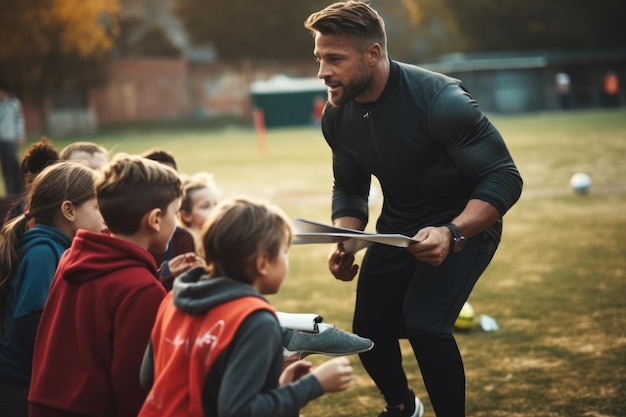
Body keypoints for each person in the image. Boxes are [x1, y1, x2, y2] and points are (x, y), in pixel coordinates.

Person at [304, 2, 523, 417]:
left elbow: (503, 177)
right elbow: (350, 188)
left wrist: (452, 232)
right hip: (398, 224)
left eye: (334, 59)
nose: (322, 72)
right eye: (319, 58)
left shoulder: (442, 101)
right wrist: (346, 237)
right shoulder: (337, 114)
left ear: (373, 54)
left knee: (425, 323)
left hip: (464, 225)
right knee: (368, 329)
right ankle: (403, 407)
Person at [138, 196, 354, 417]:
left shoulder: (173, 299)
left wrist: (280, 388)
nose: (286, 260)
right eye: (284, 253)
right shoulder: (254, 321)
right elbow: (238, 411)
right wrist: (312, 386)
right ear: (262, 263)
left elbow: (148, 377)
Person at [28, 154, 182, 417]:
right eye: (176, 213)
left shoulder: (72, 257)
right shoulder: (141, 289)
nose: (177, 222)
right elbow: (135, 386)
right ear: (155, 219)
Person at [0, 161, 103, 417]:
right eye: (97, 207)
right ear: (69, 210)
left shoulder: (57, 249)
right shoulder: (44, 253)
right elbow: (30, 323)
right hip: (19, 385)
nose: (105, 217)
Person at [141, 148, 200, 291]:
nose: (165, 188)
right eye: (158, 181)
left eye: (171, 179)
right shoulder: (132, 236)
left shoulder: (182, 239)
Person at [3, 136, 59, 223]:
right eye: (31, 181)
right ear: (24, 181)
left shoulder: (60, 208)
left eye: (42, 181)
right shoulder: (17, 212)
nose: (35, 187)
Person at [0, 81, 26, 196]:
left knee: (14, 165)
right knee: (5, 167)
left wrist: (19, 136)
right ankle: (10, 191)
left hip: (11, 139)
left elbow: (19, 120)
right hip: (2, 140)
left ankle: (19, 189)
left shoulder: (14, 103)